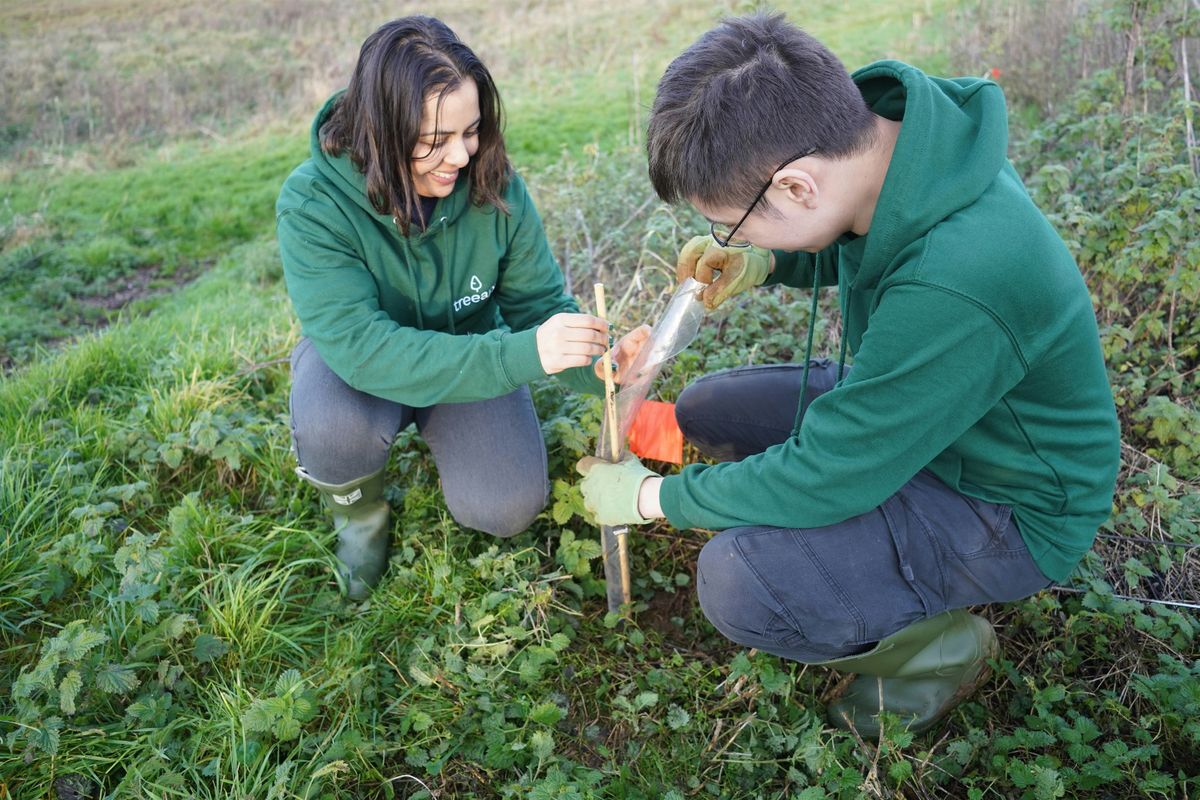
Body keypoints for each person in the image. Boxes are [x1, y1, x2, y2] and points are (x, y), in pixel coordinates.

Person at [577, 12, 1120, 736]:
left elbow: (831, 473)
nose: (729, 240)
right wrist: (767, 259)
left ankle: (940, 652)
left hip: (1006, 501)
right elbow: (862, 230)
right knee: (710, 410)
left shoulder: (959, 279)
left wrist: (650, 498)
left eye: (734, 227)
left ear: (799, 187)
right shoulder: (907, 149)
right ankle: (862, 550)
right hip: (937, 416)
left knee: (740, 581)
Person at [277, 16, 647, 601]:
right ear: (380, 131)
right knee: (331, 420)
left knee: (507, 507)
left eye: (471, 132)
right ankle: (359, 520)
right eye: (432, 141)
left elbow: (539, 308)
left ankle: (448, 437)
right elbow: (362, 346)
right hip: (362, 365)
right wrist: (519, 356)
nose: (459, 156)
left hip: (468, 353)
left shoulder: (494, 187)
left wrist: (599, 363)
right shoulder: (314, 204)